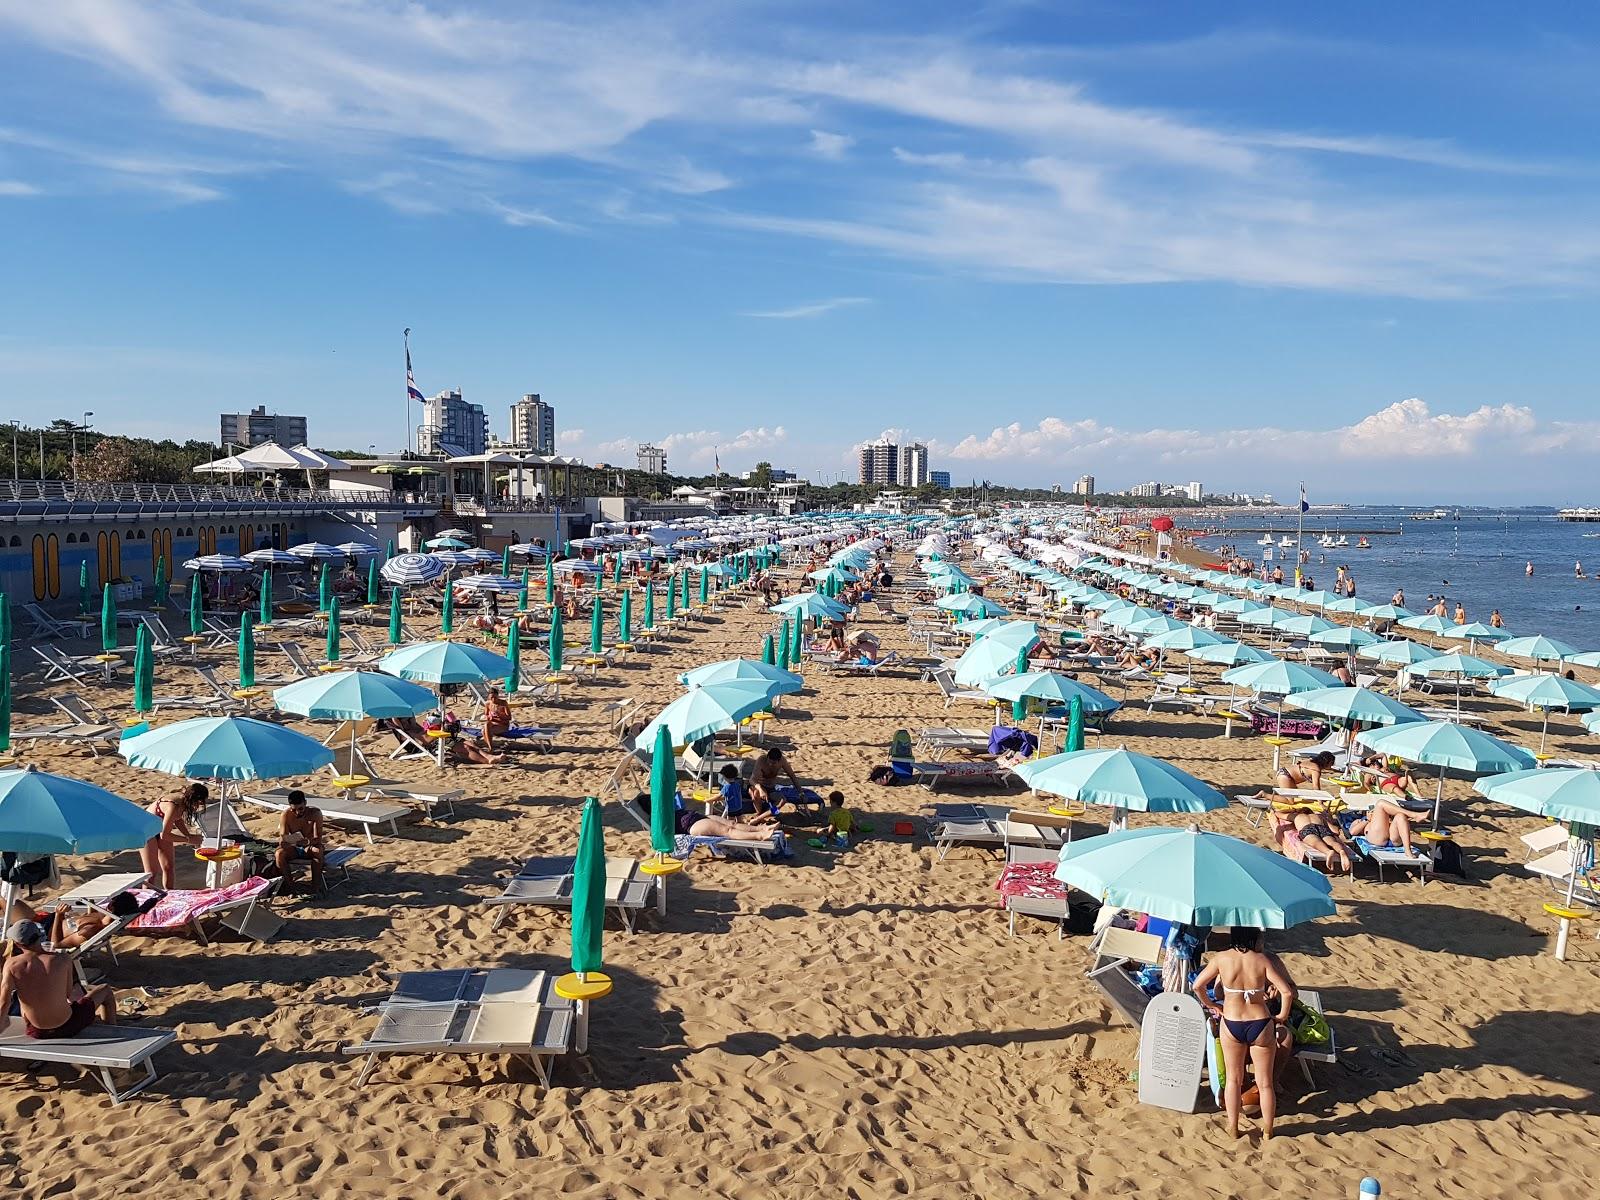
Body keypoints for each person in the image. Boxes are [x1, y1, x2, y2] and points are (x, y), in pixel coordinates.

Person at [1192, 927, 1296, 1140]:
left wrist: (1212, 1005)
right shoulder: (1261, 960)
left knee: (1233, 1080)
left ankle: (1233, 1127)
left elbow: (1197, 986)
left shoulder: (1221, 958)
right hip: (1260, 1022)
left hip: (1232, 1021)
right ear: (1254, 939)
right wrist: (1282, 1016)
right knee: (1265, 1083)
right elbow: (1286, 991)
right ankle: (1268, 1129)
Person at [0, 919, 117, 1040]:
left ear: (18, 944)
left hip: (36, 1031)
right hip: (69, 1025)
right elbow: (68, 993)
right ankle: (113, 1031)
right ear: (40, 936)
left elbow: (4, 1002)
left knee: (23, 998)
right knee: (105, 990)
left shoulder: (11, 964)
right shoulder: (62, 959)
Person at [140, 782, 207, 889]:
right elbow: (165, 835)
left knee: (168, 867)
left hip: (160, 828)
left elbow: (177, 819)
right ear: (192, 799)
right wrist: (188, 839)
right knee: (151, 873)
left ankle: (169, 895)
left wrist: (188, 835)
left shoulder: (182, 802)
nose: (197, 806)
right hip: (146, 830)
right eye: (198, 803)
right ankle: (144, 901)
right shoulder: (173, 805)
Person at [275, 789, 326, 893]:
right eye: (294, 810)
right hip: (295, 847)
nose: (297, 812)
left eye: (300, 809)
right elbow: (283, 836)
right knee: (279, 854)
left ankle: (315, 887)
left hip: (310, 846)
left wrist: (307, 842)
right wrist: (283, 842)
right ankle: (290, 886)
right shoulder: (286, 815)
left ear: (305, 803)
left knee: (318, 851)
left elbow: (318, 838)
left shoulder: (315, 813)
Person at [1340, 797, 1421, 857]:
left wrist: (1389, 820)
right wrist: (1367, 820)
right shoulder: (1360, 820)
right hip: (1378, 838)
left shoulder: (1383, 818)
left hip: (1394, 839)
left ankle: (1407, 850)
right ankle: (1413, 814)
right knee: (1380, 803)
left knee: (1400, 816)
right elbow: (1352, 832)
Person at [1291, 805, 1354, 873]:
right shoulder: (1319, 816)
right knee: (1332, 842)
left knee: (1315, 842)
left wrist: (1292, 810)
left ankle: (1328, 851)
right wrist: (1329, 819)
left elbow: (1278, 814)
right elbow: (1335, 830)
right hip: (1321, 828)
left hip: (1307, 828)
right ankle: (1342, 851)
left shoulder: (1296, 816)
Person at [750, 747, 800, 812]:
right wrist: (760, 789)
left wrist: (801, 792)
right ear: (767, 757)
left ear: (778, 761)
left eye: (773, 763)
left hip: (771, 788)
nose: (770, 764)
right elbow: (752, 780)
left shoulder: (782, 761)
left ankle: (762, 816)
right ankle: (759, 814)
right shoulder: (761, 760)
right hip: (759, 785)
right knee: (756, 793)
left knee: (783, 800)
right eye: (769, 762)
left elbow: (792, 776)